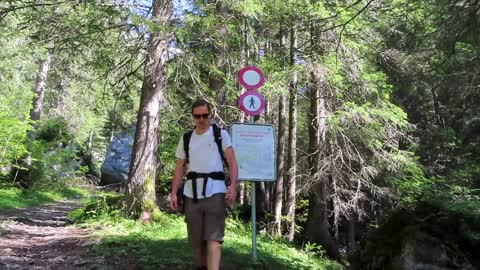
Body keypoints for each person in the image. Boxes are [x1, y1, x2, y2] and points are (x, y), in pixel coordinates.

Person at [170, 99, 238, 270]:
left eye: (204, 115)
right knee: (197, 242)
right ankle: (202, 266)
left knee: (214, 238)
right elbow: (179, 167)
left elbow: (232, 162)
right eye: (197, 116)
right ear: (192, 117)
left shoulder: (220, 134)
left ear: (210, 115)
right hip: (191, 193)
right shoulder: (186, 138)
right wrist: (173, 192)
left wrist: (233, 186)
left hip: (216, 191)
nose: (201, 119)